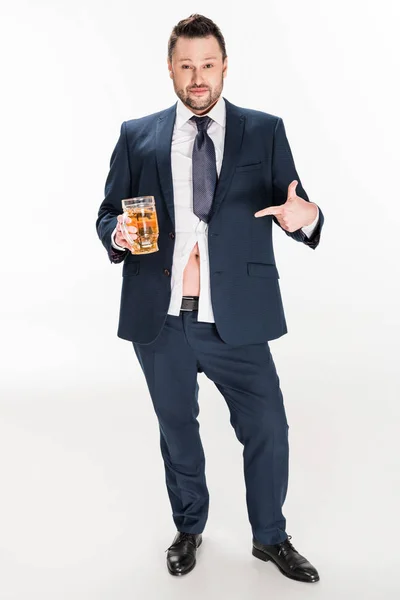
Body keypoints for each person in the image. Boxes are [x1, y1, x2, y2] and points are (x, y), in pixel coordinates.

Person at [96, 13, 324, 582]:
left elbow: (295, 204)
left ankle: (270, 538)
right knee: (178, 431)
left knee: (268, 425)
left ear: (224, 67)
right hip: (162, 318)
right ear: (171, 70)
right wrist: (116, 236)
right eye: (186, 65)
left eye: (208, 64)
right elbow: (107, 213)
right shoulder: (137, 135)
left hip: (236, 320)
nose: (198, 76)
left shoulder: (263, 130)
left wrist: (309, 217)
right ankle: (189, 527)